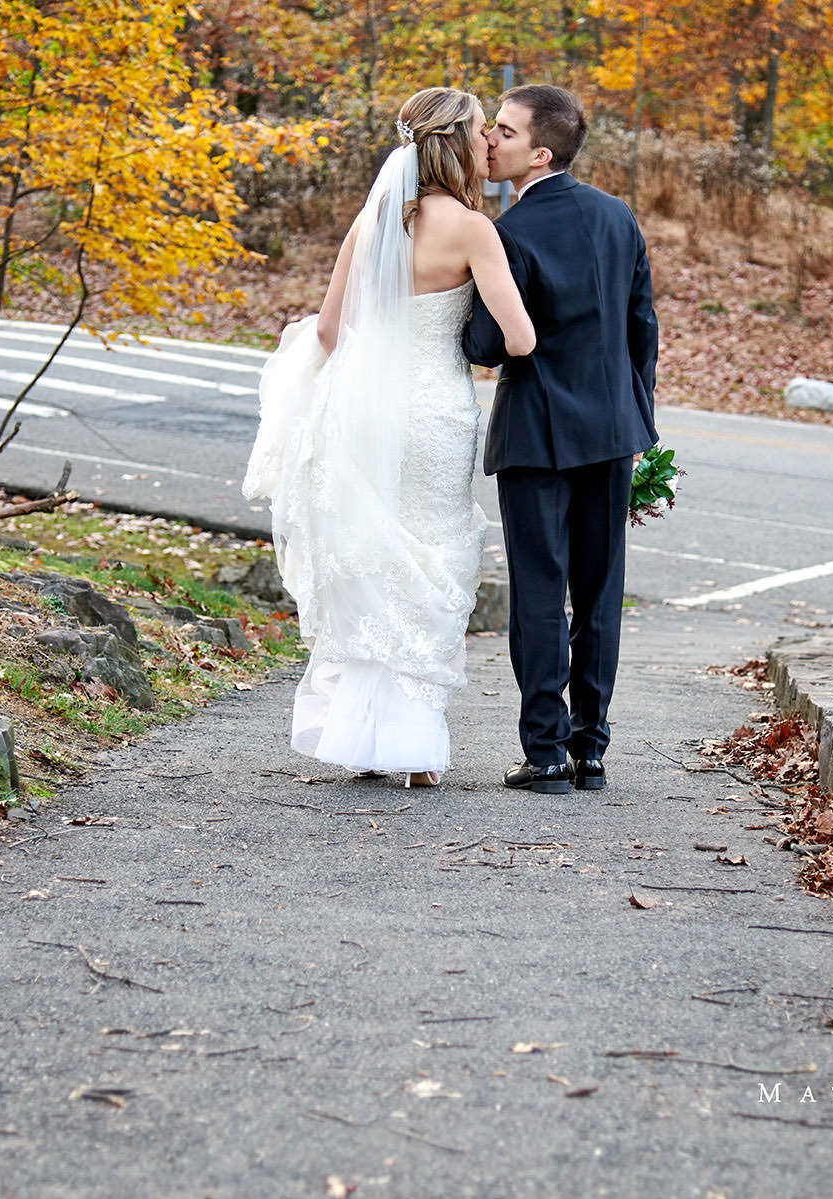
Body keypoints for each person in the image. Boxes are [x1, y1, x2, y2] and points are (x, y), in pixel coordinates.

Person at [243, 88, 536, 788]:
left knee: (374, 559)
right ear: (456, 144)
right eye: (477, 133)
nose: (484, 144)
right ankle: (415, 744)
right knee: (432, 558)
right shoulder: (472, 228)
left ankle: (365, 738)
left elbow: (325, 330)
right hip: (434, 411)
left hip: (363, 414)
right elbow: (518, 339)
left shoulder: (371, 222)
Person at [463, 84, 658, 795]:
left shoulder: (507, 234)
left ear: (539, 152)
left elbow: (491, 343)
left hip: (536, 431)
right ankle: (592, 752)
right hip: (612, 431)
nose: (489, 140)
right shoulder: (617, 218)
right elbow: (643, 332)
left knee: (540, 594)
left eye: (504, 133)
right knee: (601, 594)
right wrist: (641, 424)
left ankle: (543, 754)